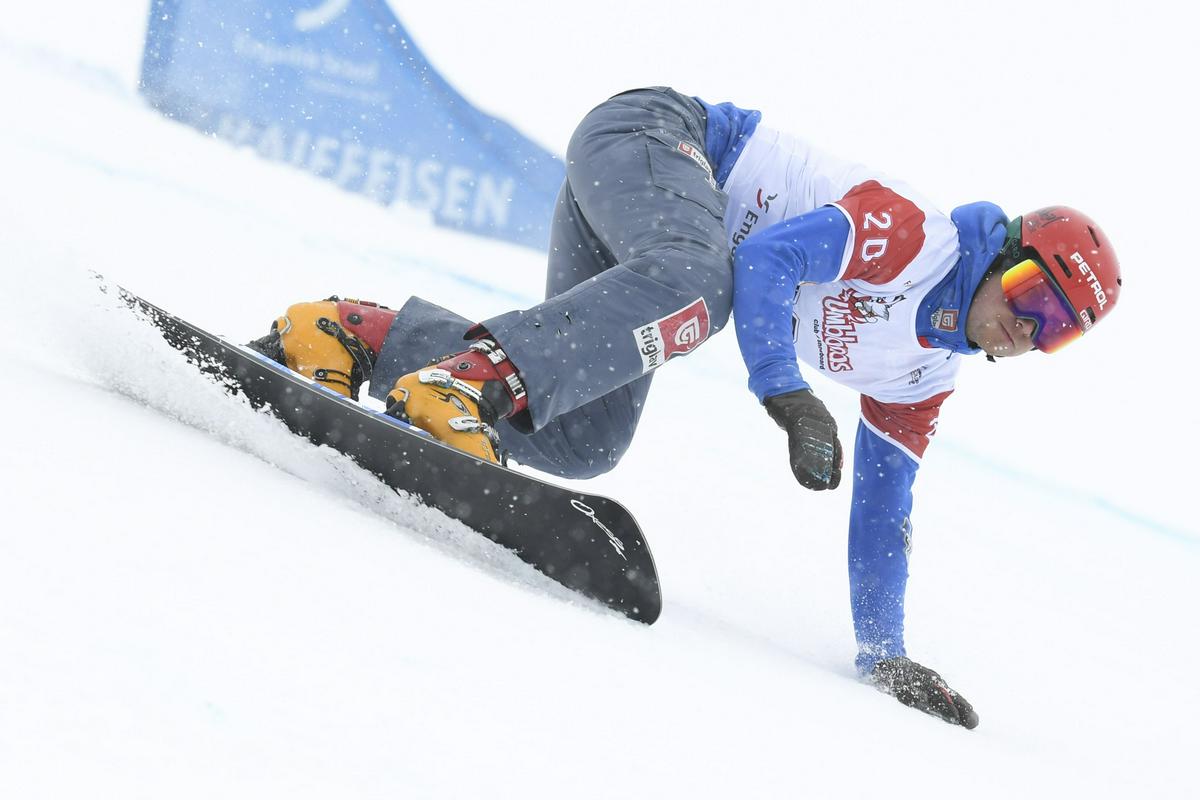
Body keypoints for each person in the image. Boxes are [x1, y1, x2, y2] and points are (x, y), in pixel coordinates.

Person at [249, 87, 1122, 730]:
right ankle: (460, 386)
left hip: (651, 228)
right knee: (705, 284)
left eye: (1055, 335)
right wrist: (784, 389)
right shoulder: (913, 238)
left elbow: (885, 511)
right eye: (1031, 298)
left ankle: (347, 335)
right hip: (654, 137)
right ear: (1003, 254)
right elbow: (771, 261)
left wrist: (884, 653)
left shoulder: (923, 378)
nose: (1024, 332)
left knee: (582, 439)